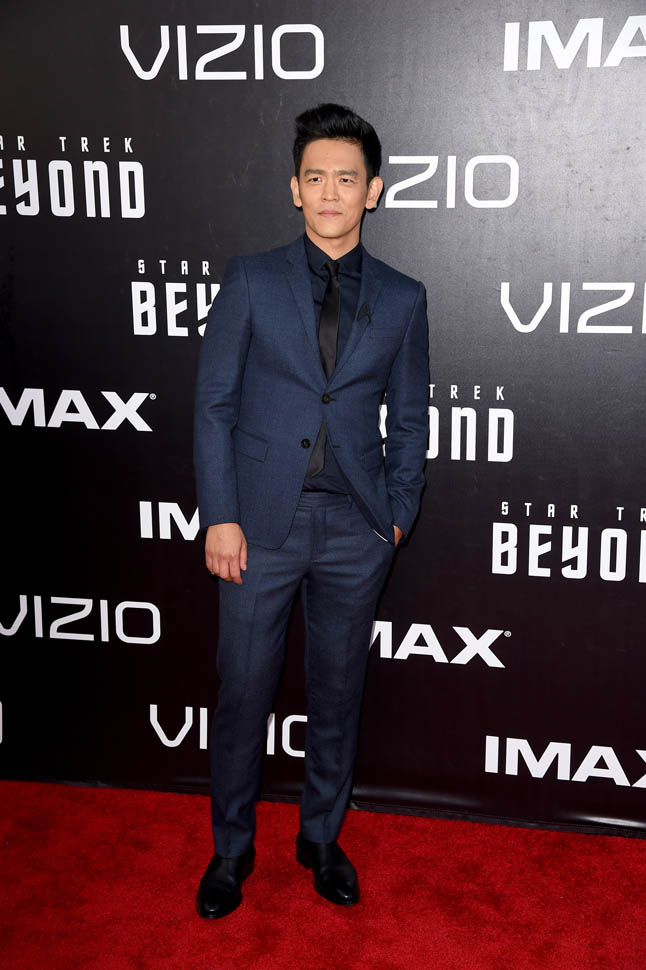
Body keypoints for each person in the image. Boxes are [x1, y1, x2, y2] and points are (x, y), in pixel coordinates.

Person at [193, 103, 429, 918]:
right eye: (316, 177)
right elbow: (214, 404)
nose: (331, 192)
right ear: (295, 188)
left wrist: (397, 513)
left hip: (357, 529)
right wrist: (220, 515)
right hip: (259, 527)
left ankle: (320, 838)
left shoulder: (403, 298)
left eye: (348, 179)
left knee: (337, 691)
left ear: (374, 191)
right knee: (243, 690)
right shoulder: (251, 279)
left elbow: (410, 418)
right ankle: (231, 849)